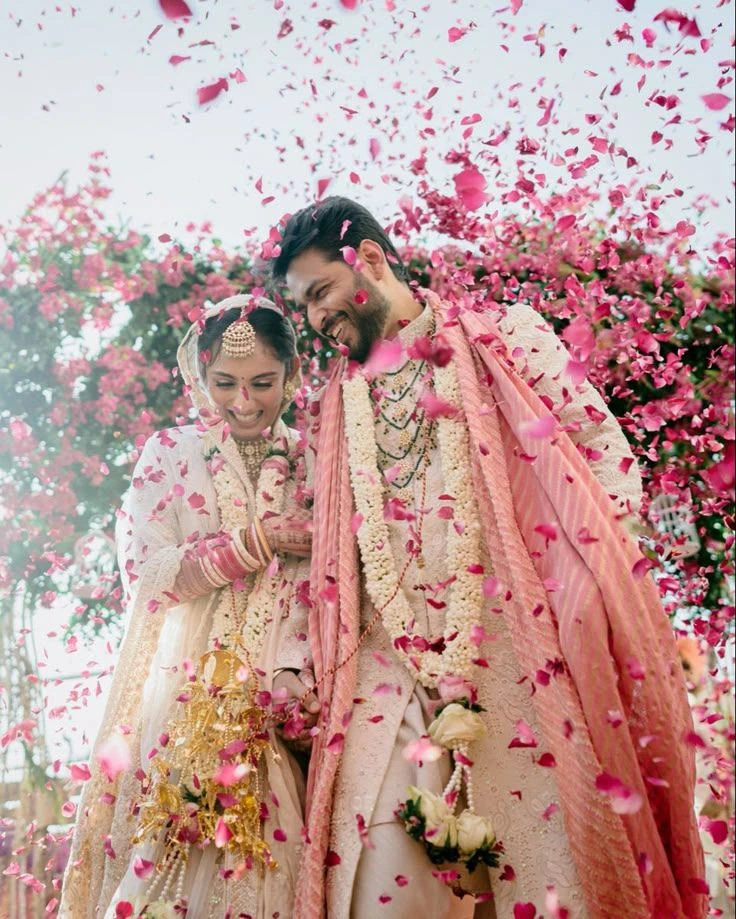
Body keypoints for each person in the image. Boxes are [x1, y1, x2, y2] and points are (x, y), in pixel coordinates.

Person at [269, 198, 706, 919]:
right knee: (377, 891)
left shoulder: (506, 338)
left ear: (369, 261)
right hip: (388, 664)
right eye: (303, 305)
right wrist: (293, 656)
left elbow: (602, 453)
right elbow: (324, 559)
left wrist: (583, 596)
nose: (315, 319)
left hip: (516, 648)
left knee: (552, 882)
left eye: (320, 293)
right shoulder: (335, 411)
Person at [60, 296, 318, 918]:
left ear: (292, 375)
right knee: (174, 852)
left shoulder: (313, 455)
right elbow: (146, 573)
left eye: (263, 382)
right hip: (188, 690)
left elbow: (323, 578)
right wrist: (252, 544)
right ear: (201, 377)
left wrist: (293, 669)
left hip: (288, 688)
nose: (245, 401)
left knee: (277, 863)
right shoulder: (170, 452)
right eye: (225, 383)